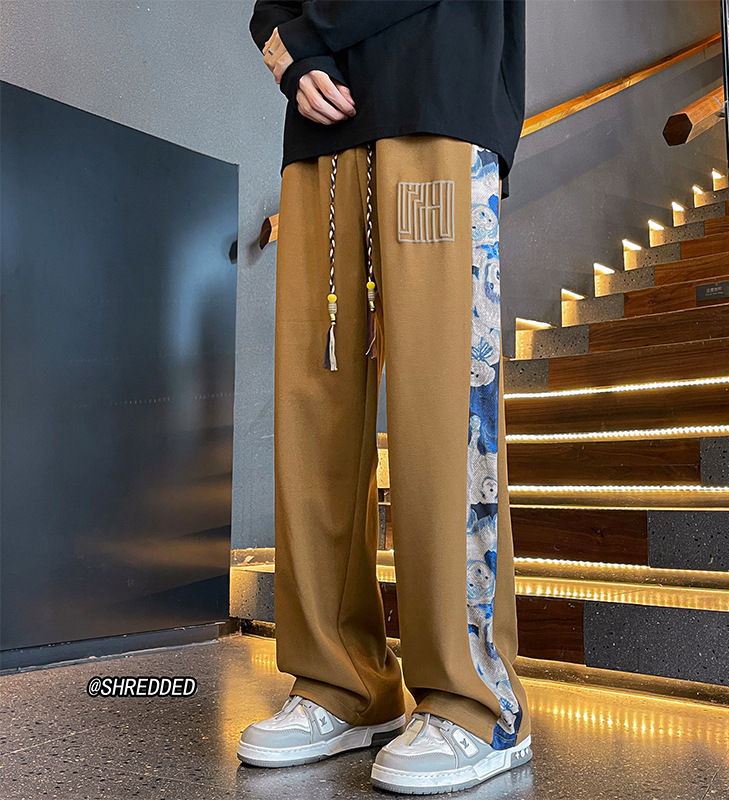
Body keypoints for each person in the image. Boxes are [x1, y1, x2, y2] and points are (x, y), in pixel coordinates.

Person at [238, 1, 531, 793]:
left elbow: (287, 22)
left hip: (438, 100)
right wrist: (290, 56)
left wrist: (302, 37)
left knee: (441, 409)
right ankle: (342, 681)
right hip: (323, 131)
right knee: (314, 410)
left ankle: (475, 701)